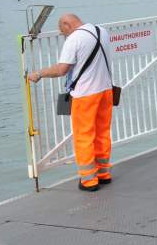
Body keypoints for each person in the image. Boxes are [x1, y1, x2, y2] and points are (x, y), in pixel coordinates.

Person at [26, 13, 114, 191]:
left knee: (84, 136)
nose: (64, 35)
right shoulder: (101, 31)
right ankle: (103, 173)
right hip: (106, 90)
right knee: (102, 132)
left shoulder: (74, 39)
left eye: (63, 32)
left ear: (67, 25)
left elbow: (61, 69)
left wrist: (39, 74)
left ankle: (88, 180)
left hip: (85, 95)